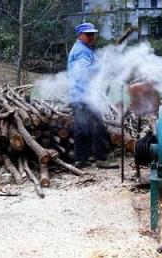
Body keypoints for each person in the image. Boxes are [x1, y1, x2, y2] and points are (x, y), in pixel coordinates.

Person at [67, 22, 118, 169]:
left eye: (93, 34)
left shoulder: (84, 49)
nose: (91, 37)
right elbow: (86, 72)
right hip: (84, 96)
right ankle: (101, 159)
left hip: (79, 96)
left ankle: (81, 159)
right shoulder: (81, 51)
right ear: (80, 35)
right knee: (98, 127)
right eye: (88, 34)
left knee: (81, 129)